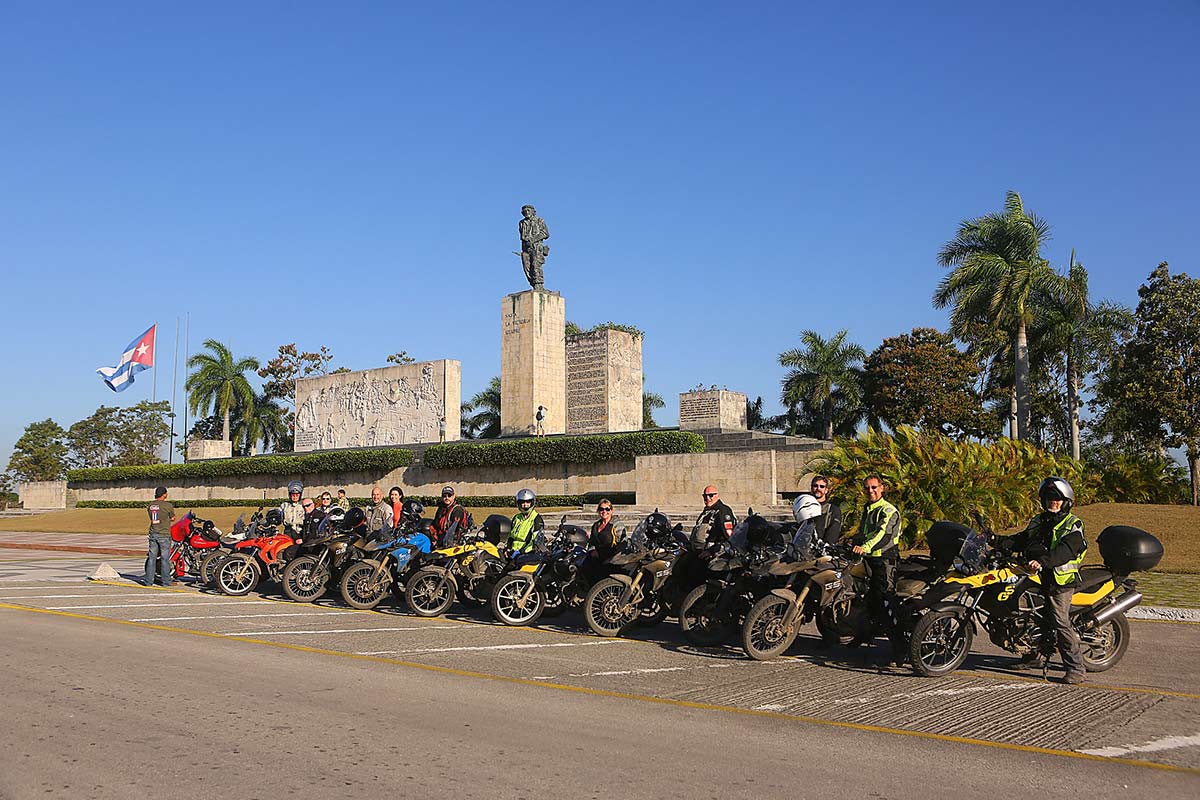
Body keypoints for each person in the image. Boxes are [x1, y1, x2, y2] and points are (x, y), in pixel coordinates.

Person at [1007, 476, 1088, 684]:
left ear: (1066, 501)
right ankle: (1033, 655)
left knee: (1060, 621)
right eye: (1049, 498)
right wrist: (994, 541)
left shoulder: (1073, 525)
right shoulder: (1039, 521)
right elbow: (1021, 540)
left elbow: (1065, 551)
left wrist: (1042, 562)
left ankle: (1076, 668)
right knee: (1024, 612)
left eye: (1057, 498)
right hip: (1036, 577)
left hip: (1060, 582)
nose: (1053, 502)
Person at [849, 475, 903, 665]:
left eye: (873, 488)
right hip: (868, 560)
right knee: (863, 599)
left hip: (884, 562)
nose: (870, 491)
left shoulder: (889, 510)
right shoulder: (868, 508)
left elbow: (883, 535)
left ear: (882, 488)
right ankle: (863, 634)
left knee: (885, 604)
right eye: (867, 488)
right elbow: (865, 532)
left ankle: (899, 649)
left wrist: (865, 547)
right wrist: (851, 542)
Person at [583, 498, 620, 583]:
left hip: (611, 559)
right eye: (601, 509)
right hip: (596, 557)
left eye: (607, 509)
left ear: (611, 511)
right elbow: (591, 542)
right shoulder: (596, 525)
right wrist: (592, 550)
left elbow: (622, 543)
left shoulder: (616, 525)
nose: (604, 511)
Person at [144, 486, 175, 587]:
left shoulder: (150, 505)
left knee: (152, 558)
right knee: (164, 559)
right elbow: (172, 517)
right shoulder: (168, 505)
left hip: (153, 532)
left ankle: (148, 581)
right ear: (164, 494)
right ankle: (166, 581)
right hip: (164, 534)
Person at [508, 488, 544, 555]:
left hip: (527, 553)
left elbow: (536, 540)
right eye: (522, 502)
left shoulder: (536, 519)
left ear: (532, 502)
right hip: (513, 551)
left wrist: (521, 551)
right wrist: (507, 548)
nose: (525, 504)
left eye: (528, 502)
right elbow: (511, 535)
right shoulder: (516, 518)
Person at [809, 475, 843, 544]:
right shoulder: (806, 507)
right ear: (811, 488)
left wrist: (826, 544)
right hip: (804, 547)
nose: (818, 488)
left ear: (826, 490)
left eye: (822, 486)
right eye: (815, 486)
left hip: (823, 549)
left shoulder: (833, 510)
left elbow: (834, 531)